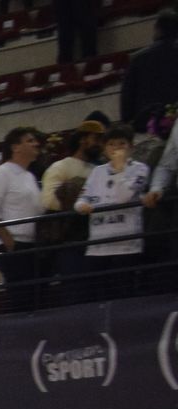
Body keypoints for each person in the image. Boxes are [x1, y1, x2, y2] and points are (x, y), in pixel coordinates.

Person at [78, 127, 154, 298]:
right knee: (97, 296)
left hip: (126, 245)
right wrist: (82, 206)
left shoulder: (139, 169)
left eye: (122, 144)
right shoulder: (97, 172)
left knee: (123, 296)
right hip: (98, 246)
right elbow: (82, 199)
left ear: (131, 147)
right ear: (105, 148)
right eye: (111, 144)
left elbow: (122, 197)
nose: (116, 148)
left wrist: (120, 169)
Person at [0, 126, 49, 313]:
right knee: (22, 299)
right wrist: (9, 242)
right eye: (29, 141)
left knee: (36, 299)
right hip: (14, 246)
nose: (36, 144)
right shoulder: (1, 173)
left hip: (31, 246)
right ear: (15, 147)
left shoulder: (29, 176)